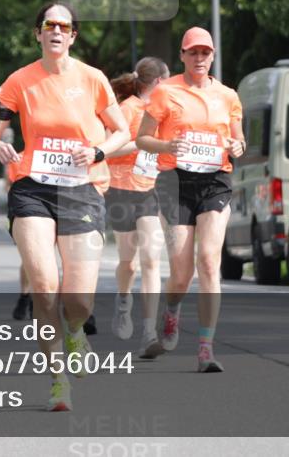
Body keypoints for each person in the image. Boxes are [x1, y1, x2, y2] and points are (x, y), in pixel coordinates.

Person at [0, 2, 129, 411]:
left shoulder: (93, 79)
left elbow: (122, 131)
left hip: (81, 189)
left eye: (64, 26)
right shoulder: (19, 81)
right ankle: (57, 379)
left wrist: (99, 151)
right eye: (49, 25)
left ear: (73, 36)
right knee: (44, 286)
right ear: (38, 33)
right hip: (32, 188)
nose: (56, 31)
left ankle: (76, 330)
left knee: (77, 299)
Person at [136, 27, 245, 373]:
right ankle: (171, 313)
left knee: (210, 262)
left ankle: (205, 348)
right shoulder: (165, 92)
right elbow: (141, 139)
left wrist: (237, 147)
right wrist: (167, 146)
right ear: (182, 56)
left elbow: (239, 141)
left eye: (205, 53)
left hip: (216, 182)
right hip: (175, 183)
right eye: (193, 52)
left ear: (213, 56)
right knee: (181, 274)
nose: (199, 58)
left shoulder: (228, 96)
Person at [105, 57, 170, 357]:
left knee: (152, 261)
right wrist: (143, 143)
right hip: (121, 190)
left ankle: (149, 332)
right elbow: (107, 149)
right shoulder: (127, 108)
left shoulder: (164, 111)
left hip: (149, 191)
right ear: (158, 83)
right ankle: (123, 300)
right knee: (128, 263)